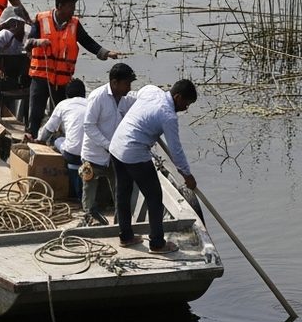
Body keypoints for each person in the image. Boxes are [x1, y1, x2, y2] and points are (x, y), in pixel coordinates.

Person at [109, 79, 199, 252]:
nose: (186, 108)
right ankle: (157, 243)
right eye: (186, 103)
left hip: (116, 145)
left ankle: (126, 237)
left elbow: (130, 98)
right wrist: (187, 175)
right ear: (177, 97)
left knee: (123, 193)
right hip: (134, 152)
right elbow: (176, 151)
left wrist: (144, 119)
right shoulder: (168, 116)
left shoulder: (151, 90)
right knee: (155, 197)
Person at [26, 0, 122, 136]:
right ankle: (31, 139)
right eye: (70, 7)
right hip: (41, 76)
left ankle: (55, 145)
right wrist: (38, 42)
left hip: (62, 80)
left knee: (59, 115)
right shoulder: (41, 20)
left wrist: (106, 53)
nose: (73, 11)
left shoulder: (74, 25)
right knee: (35, 114)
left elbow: (87, 42)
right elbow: (27, 43)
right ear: (59, 6)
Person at [80, 63, 137, 224]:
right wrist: (107, 145)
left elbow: (141, 98)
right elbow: (89, 125)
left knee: (120, 192)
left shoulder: (126, 98)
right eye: (126, 83)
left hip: (115, 156)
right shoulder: (98, 97)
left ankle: (121, 224)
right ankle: (89, 220)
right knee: (89, 193)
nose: (129, 87)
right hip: (94, 155)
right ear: (114, 83)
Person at [28, 79, 88, 203]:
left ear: (67, 94)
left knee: (57, 139)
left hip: (72, 155)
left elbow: (48, 129)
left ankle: (71, 178)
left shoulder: (63, 104)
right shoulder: (90, 104)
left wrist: (40, 140)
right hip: (90, 155)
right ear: (84, 93)